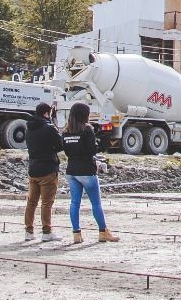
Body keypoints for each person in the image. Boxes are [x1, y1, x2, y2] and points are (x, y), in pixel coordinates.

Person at [61, 102, 118, 243]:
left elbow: (67, 151)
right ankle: (103, 231)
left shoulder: (66, 131)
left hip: (71, 170)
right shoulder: (87, 130)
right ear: (84, 115)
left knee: (75, 203)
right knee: (96, 203)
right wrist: (102, 140)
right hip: (86, 170)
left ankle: (76, 234)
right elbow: (92, 150)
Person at [23, 102, 64, 242]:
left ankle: (28, 231)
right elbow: (60, 145)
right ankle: (46, 231)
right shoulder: (49, 128)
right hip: (48, 169)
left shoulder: (29, 128)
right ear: (47, 113)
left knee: (31, 201)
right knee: (47, 202)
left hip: (33, 168)